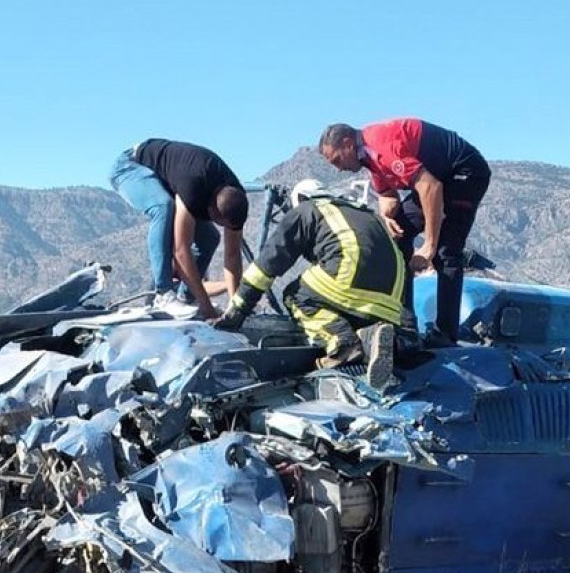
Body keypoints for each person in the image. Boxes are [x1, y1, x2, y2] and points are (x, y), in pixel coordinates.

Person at [214, 179, 404, 388]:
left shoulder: (307, 209)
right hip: (393, 296)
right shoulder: (364, 213)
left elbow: (266, 266)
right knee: (340, 299)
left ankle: (342, 343)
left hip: (351, 277)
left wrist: (237, 310)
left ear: (302, 199)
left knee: (295, 294)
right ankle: (372, 337)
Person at [319, 119, 491, 343]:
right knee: (397, 239)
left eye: (338, 160)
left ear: (348, 143)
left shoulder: (382, 148)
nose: (339, 169)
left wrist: (428, 245)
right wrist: (388, 218)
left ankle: (446, 334)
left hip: (464, 172)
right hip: (436, 177)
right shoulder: (368, 158)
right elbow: (388, 198)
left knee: (445, 253)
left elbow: (431, 187)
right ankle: (405, 324)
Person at [109, 139, 249, 320]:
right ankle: (163, 293)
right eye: (220, 222)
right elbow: (181, 250)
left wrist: (235, 306)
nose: (223, 228)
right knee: (163, 207)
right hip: (130, 166)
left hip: (172, 181)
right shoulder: (193, 186)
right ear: (211, 211)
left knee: (210, 238)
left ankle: (186, 297)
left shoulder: (235, 199)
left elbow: (232, 255)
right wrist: (207, 308)